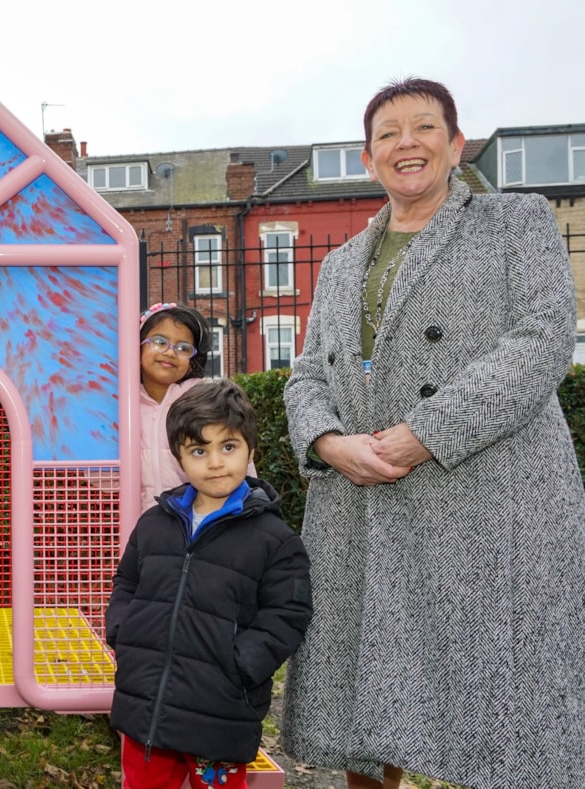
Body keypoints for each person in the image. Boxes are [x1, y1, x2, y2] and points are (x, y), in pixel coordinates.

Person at [280, 78, 585, 789]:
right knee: (369, 709)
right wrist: (329, 444)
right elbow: (305, 376)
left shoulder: (517, 223)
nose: (406, 143)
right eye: (388, 133)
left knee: (509, 714)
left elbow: (542, 339)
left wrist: (423, 432)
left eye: (424, 127)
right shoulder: (338, 263)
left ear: (455, 145)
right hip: (365, 503)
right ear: (368, 158)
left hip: (488, 498)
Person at [106, 379, 312, 789]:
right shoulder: (154, 524)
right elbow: (126, 581)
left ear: (251, 450)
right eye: (199, 450)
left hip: (219, 711)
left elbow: (288, 613)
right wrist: (123, 632)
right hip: (147, 705)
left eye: (228, 447)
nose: (215, 462)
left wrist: (241, 663)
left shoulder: (275, 539)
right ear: (181, 458)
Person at [137, 302, 254, 514]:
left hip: (201, 522)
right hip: (140, 527)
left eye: (183, 348)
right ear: (138, 347)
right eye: (159, 342)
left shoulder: (207, 404)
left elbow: (240, 469)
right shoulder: (122, 407)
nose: (170, 352)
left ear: (192, 362)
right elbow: (105, 482)